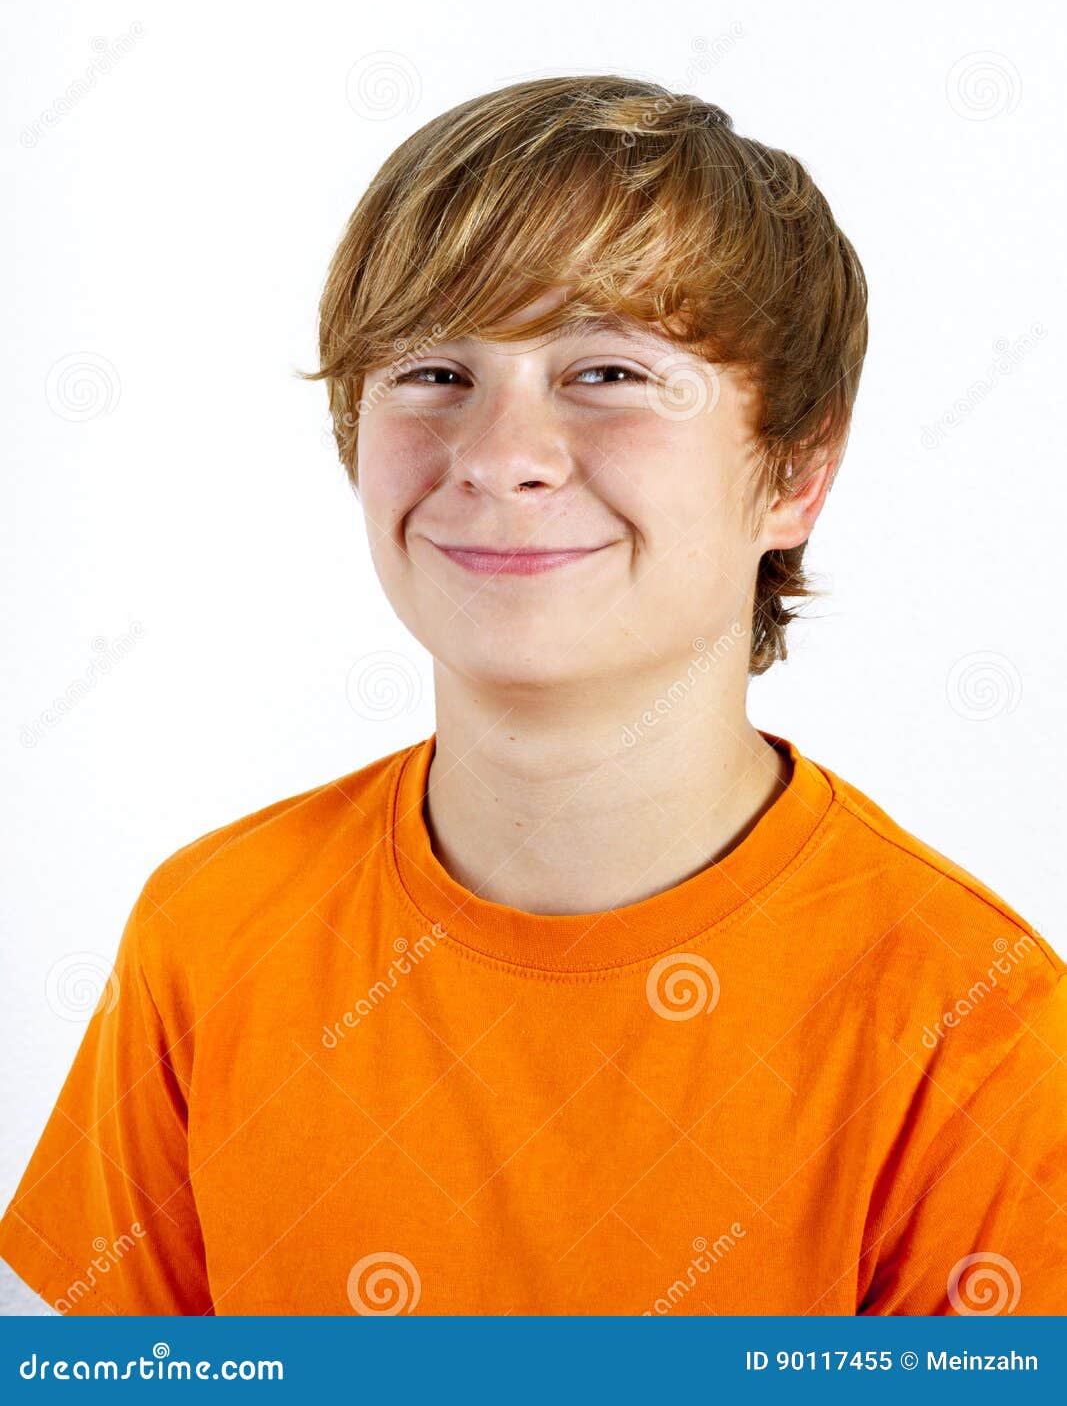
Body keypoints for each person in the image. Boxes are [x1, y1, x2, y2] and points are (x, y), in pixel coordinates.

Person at [2, 76, 1064, 1317]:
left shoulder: (970, 1024)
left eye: (606, 370)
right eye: (432, 370)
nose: (501, 456)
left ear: (793, 471)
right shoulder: (213, 937)